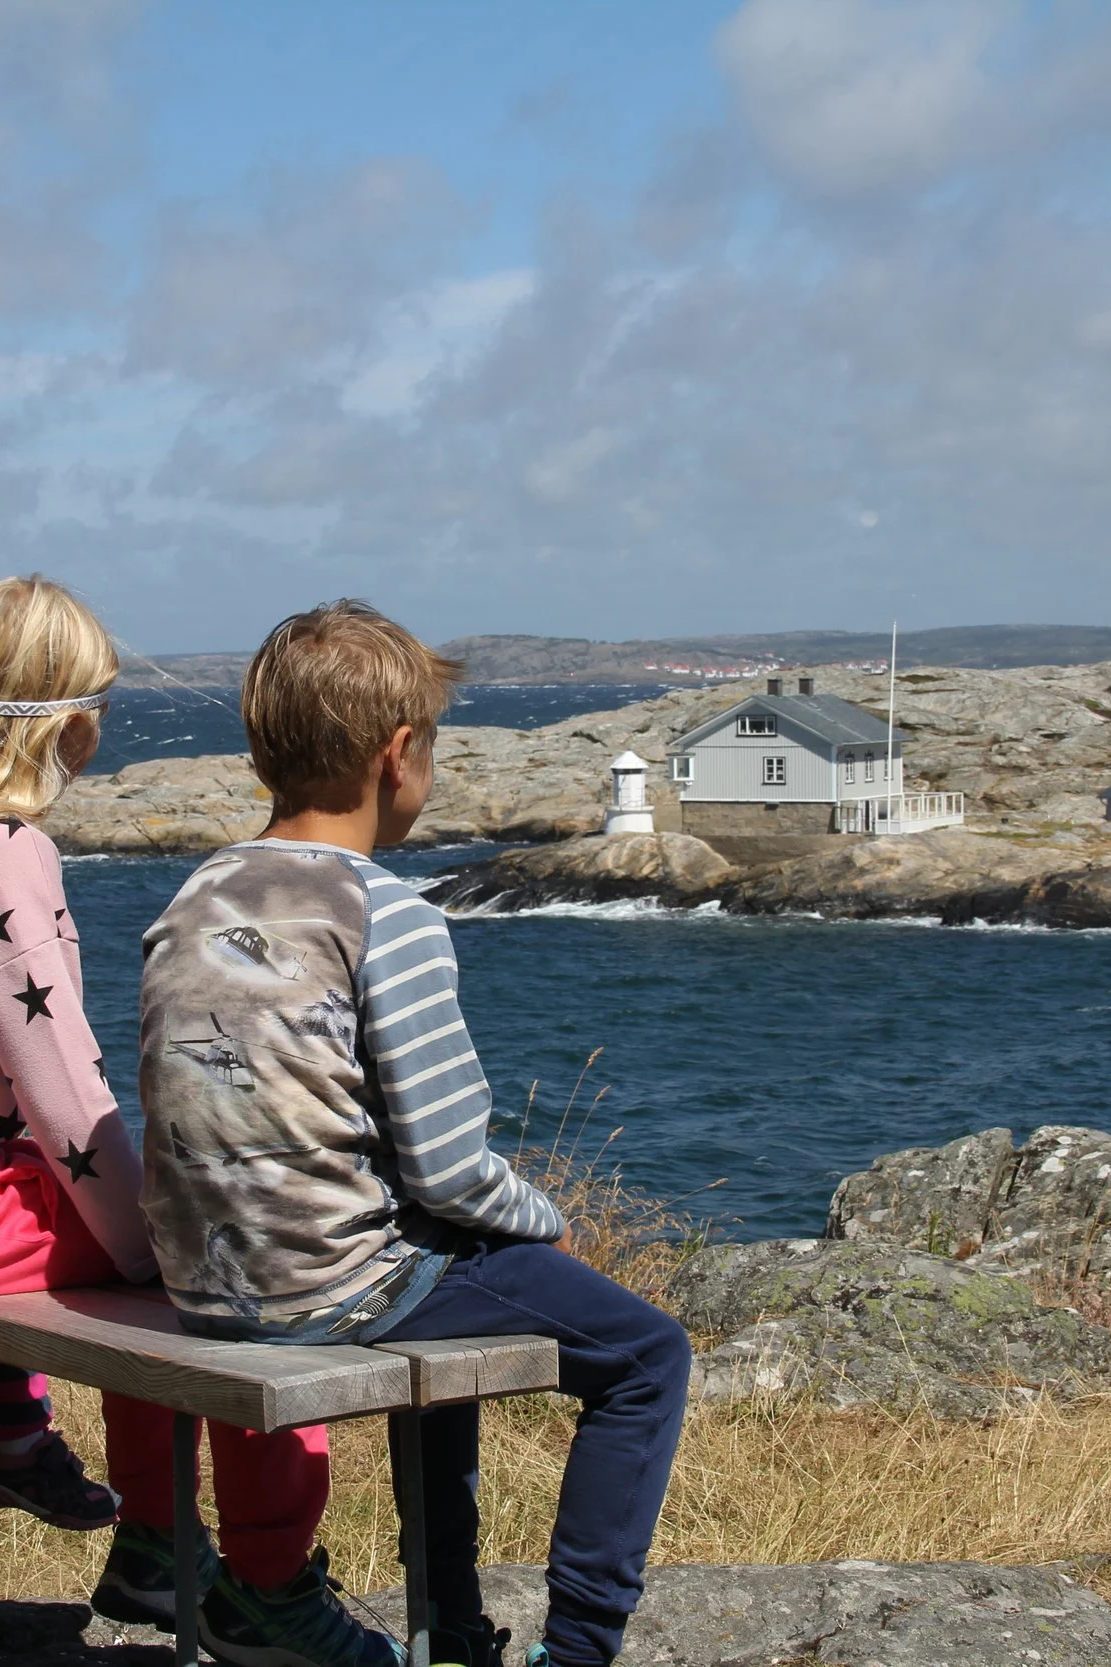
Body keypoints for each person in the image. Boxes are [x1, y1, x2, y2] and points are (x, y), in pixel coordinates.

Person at [0, 576, 356, 1663]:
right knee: (216, 1260)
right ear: (64, 723)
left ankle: (155, 1542)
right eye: (97, 704)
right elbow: (64, 1089)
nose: (100, 727)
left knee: (158, 1266)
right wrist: (153, 1234)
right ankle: (263, 1573)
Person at [138, 601, 692, 1667]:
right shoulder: (387, 913)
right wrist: (545, 1219)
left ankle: (456, 1626)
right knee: (643, 1353)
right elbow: (447, 1166)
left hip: (206, 1279)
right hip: (332, 1284)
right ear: (399, 756)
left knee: (451, 1271)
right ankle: (576, 1649)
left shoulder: (197, 892)